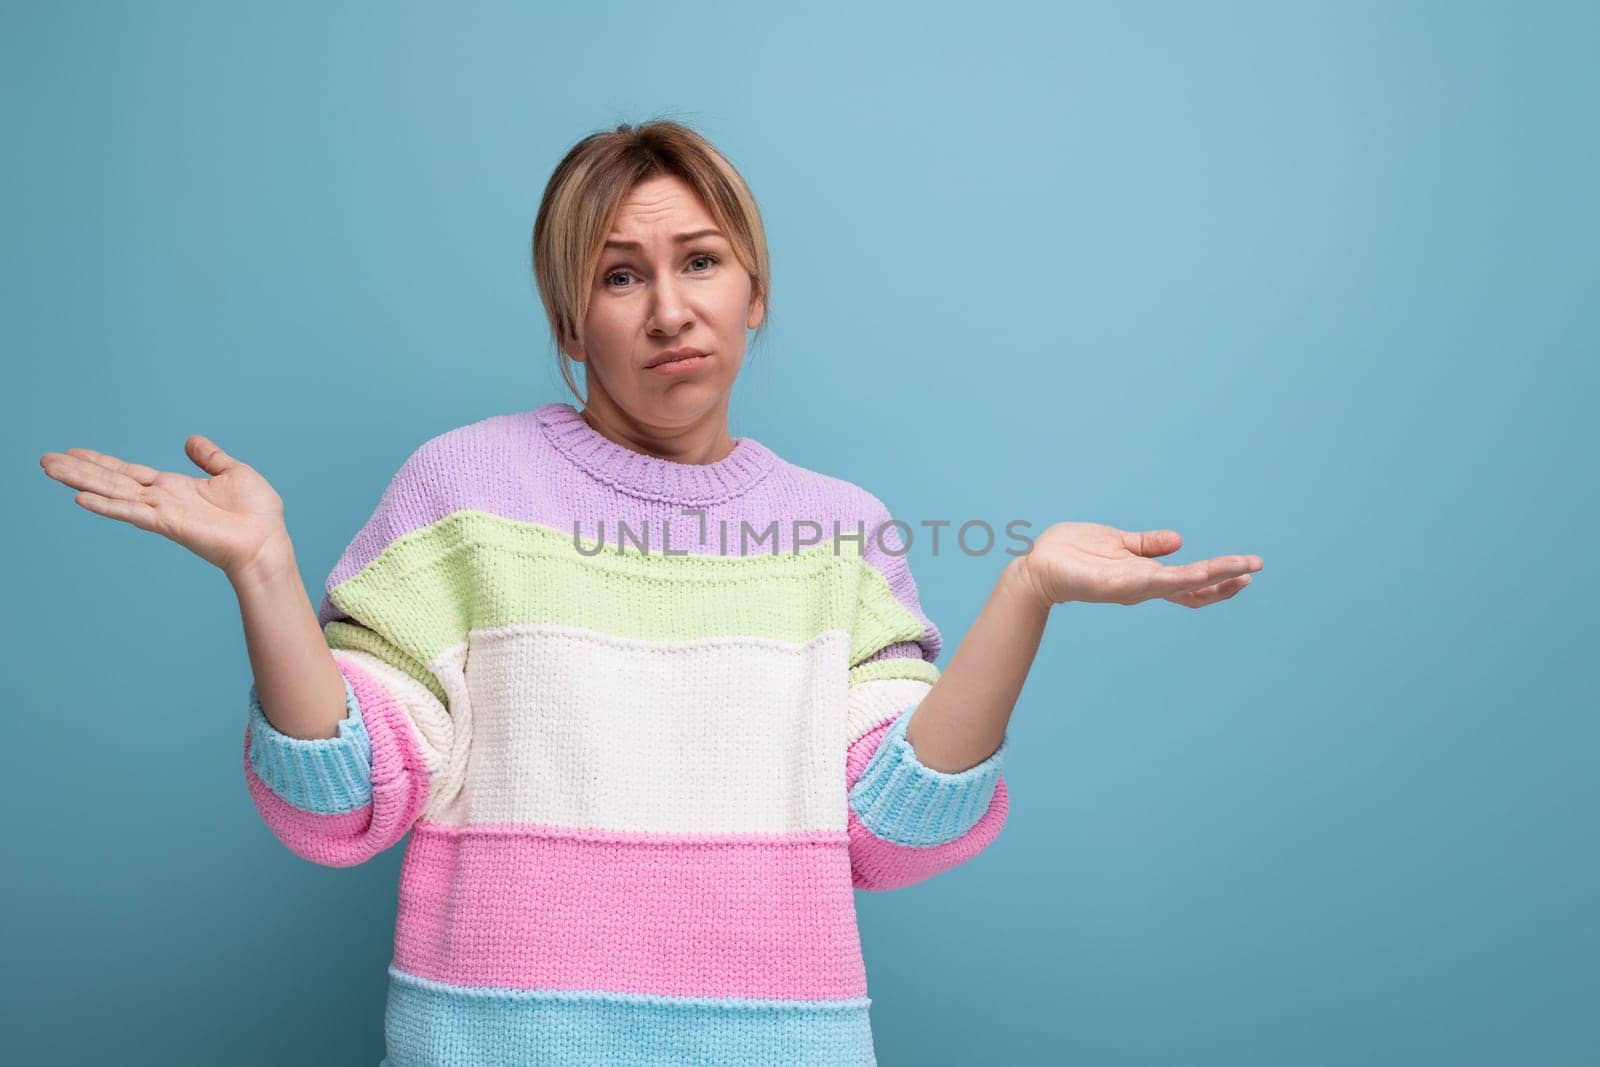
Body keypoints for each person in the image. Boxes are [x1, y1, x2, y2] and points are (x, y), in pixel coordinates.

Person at [37, 119, 1262, 1066]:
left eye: (701, 261)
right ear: (571, 318)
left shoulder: (839, 529)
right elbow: (347, 793)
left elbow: (892, 827)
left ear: (755, 289)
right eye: (620, 276)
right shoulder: (463, 491)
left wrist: (1026, 592)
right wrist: (266, 575)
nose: (670, 307)